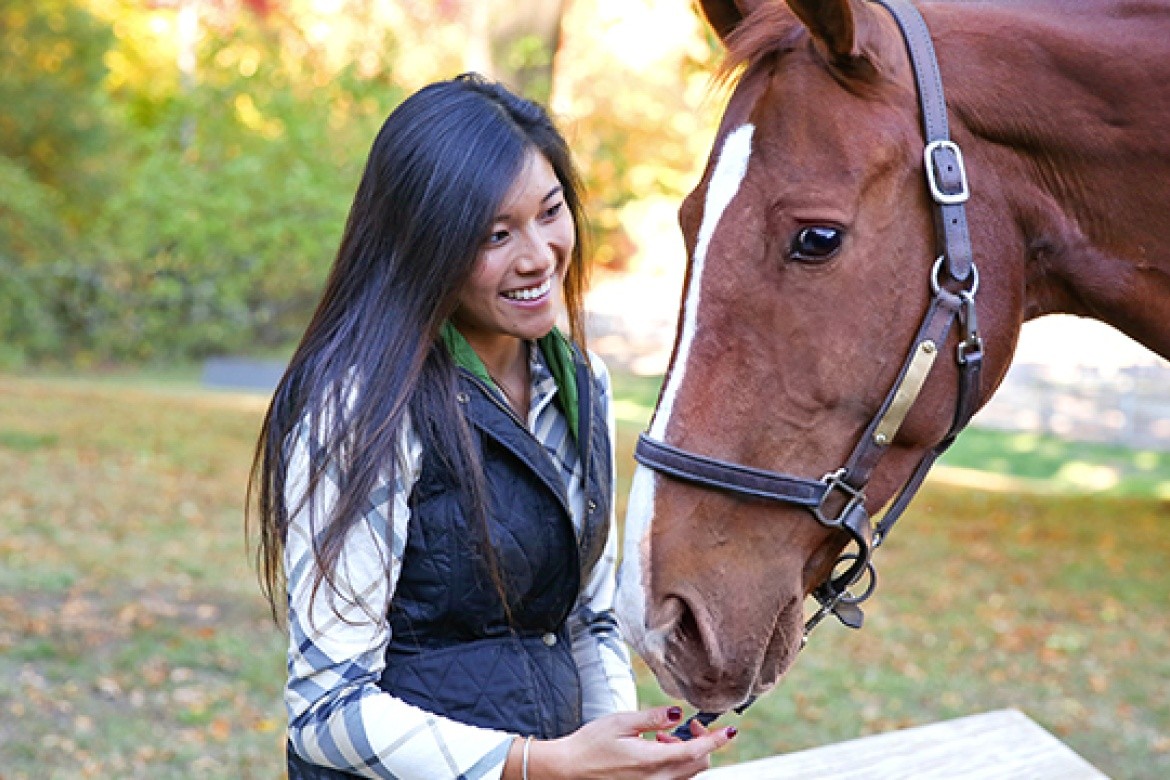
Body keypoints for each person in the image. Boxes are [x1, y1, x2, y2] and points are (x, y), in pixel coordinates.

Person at [249, 73, 736, 779]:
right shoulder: (361, 404)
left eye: (550, 211)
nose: (538, 256)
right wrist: (540, 763)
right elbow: (326, 709)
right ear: (425, 244)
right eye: (494, 234)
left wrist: (616, 753)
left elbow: (587, 618)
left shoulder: (580, 386)